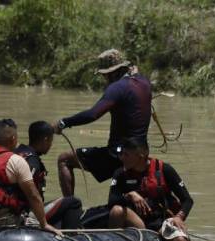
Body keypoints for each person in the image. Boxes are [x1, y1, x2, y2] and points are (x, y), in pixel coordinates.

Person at [54, 48, 152, 197]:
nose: (104, 79)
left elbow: (93, 114)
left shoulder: (117, 88)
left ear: (111, 73)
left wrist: (63, 123)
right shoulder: (144, 83)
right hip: (142, 154)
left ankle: (69, 208)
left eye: (105, 76)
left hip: (118, 155)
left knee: (64, 159)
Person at [106, 137, 193, 241]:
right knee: (116, 211)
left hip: (161, 221)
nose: (122, 158)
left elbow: (187, 200)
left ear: (140, 156)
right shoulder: (120, 173)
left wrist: (179, 217)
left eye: (126, 155)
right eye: (122, 154)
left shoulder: (164, 169)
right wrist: (130, 195)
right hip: (137, 221)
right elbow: (111, 201)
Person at [14, 121, 83, 229]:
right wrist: (43, 222)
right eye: (51, 140)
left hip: (14, 208)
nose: (51, 145)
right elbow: (32, 195)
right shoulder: (32, 162)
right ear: (45, 140)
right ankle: (72, 239)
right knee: (73, 202)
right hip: (25, 213)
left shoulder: (18, 151)